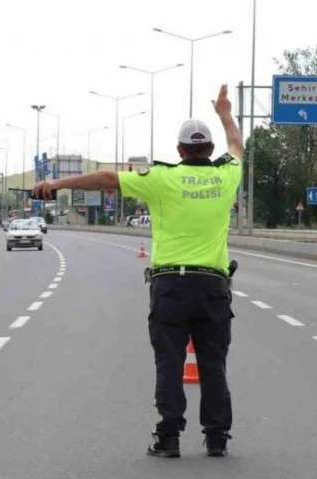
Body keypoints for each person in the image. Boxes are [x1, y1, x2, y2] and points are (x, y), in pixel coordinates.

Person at [32, 84, 244, 458]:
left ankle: (169, 438)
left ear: (179, 151)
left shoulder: (162, 179)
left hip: (170, 288)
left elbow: (108, 179)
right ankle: (216, 438)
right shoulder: (226, 175)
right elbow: (237, 146)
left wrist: (57, 184)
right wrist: (225, 112)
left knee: (170, 362)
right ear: (209, 150)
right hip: (212, 287)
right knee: (214, 364)